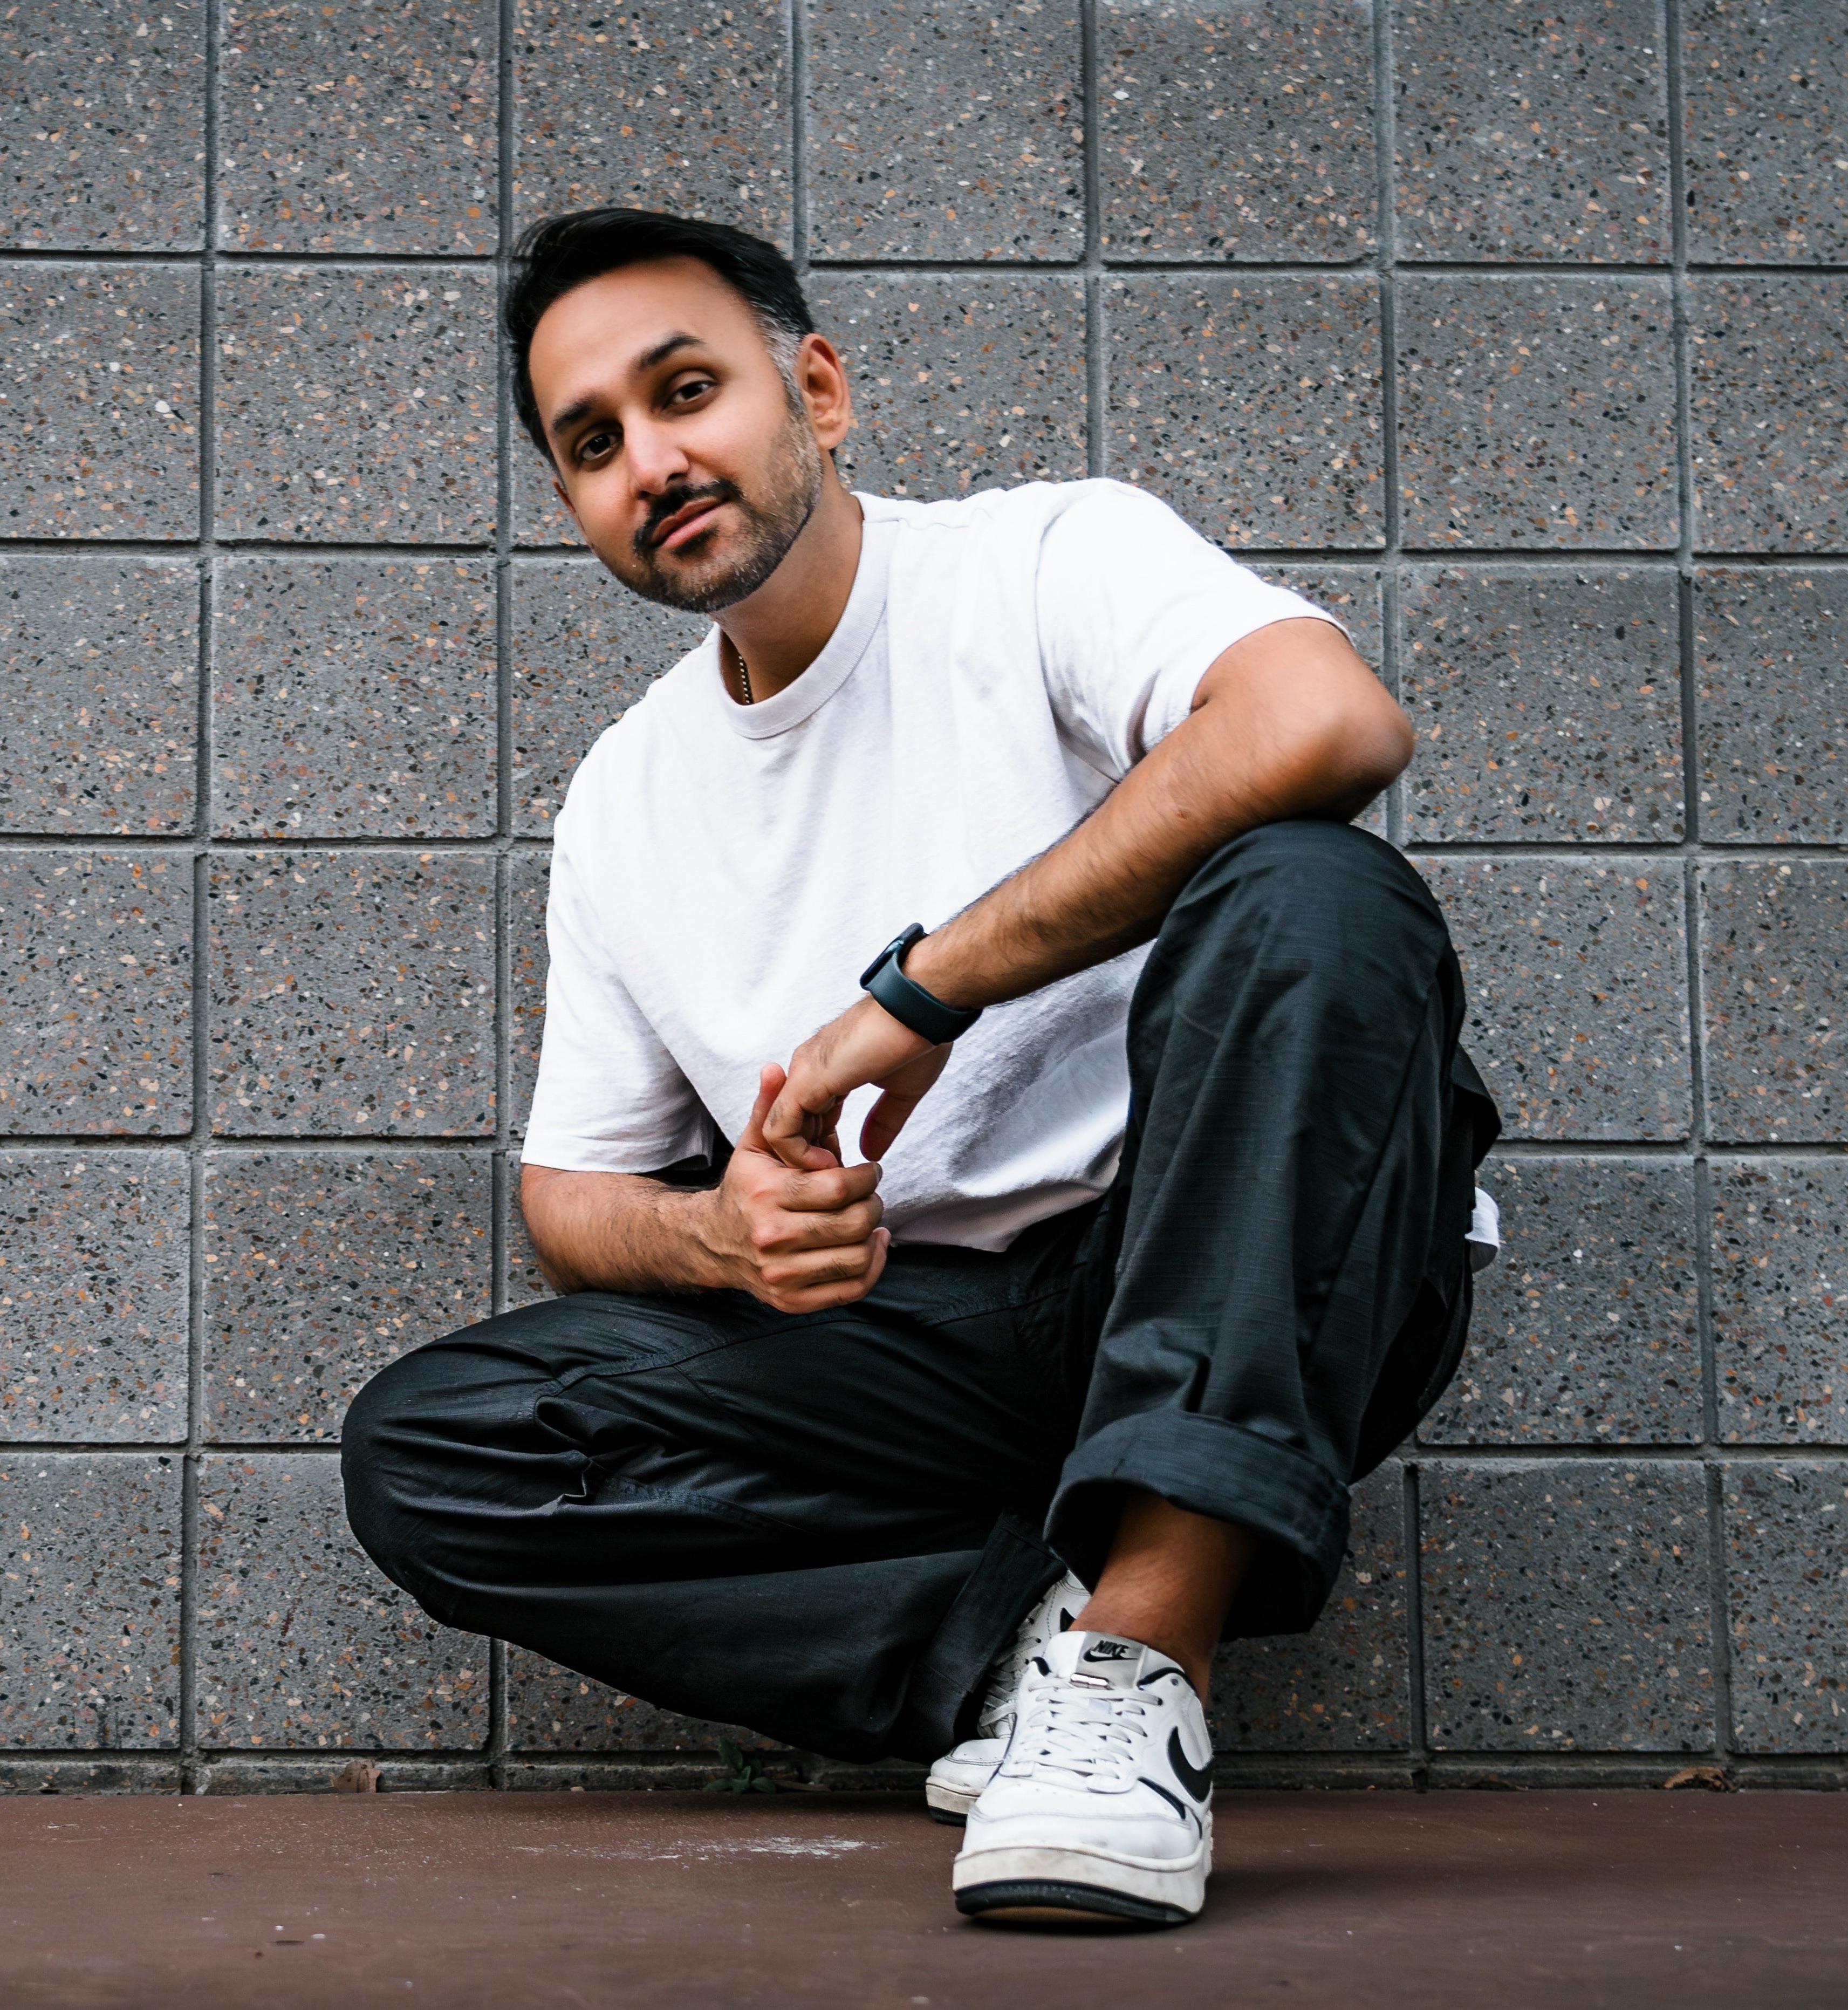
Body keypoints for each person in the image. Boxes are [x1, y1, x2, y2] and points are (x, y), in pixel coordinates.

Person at [342, 208, 1500, 1929]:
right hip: (929, 1356)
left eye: (685, 391)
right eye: (593, 443)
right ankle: (1018, 1659)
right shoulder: (625, 797)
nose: (651, 461)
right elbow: (570, 1193)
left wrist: (924, 991)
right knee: (435, 1446)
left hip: (1235, 1274)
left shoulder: (1044, 560)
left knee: (1317, 888)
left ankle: (1140, 1660)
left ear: (814, 388)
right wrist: (717, 1240)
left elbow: (1325, 725)